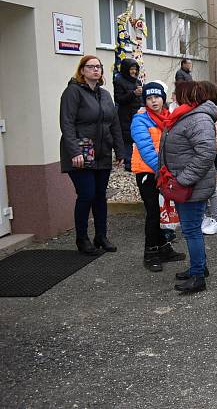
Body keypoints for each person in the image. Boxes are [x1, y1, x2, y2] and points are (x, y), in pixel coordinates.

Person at [60, 55, 125, 256]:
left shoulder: (105, 95)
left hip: (102, 152)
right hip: (82, 151)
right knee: (86, 194)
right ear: (82, 70)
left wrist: (120, 150)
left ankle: (101, 236)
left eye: (98, 67)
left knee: (99, 196)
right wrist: (74, 152)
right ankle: (82, 238)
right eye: (91, 67)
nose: (96, 70)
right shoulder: (73, 92)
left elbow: (114, 124)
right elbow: (67, 123)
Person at [160, 81, 217, 294]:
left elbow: (205, 153)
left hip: (192, 186)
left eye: (177, 92)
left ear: (186, 95)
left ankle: (197, 276)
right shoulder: (185, 115)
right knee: (191, 229)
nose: (173, 96)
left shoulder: (198, 118)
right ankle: (199, 268)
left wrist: (183, 180)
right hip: (186, 184)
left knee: (191, 230)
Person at [130, 81, 186, 271]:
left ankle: (164, 248)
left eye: (157, 97)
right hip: (148, 172)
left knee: (164, 211)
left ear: (163, 97)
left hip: (165, 172)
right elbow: (146, 150)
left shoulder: (169, 117)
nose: (153, 101)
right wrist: (163, 171)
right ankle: (151, 252)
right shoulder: (140, 120)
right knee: (153, 212)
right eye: (149, 98)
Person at [199, 81, 217, 236]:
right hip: (207, 154)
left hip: (214, 155)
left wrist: (205, 151)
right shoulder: (203, 109)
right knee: (204, 187)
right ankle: (207, 217)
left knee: (211, 188)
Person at [113, 58, 142, 171]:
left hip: (137, 114)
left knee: (138, 137)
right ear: (126, 69)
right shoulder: (119, 81)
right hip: (125, 115)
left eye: (135, 69)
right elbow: (119, 99)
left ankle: (138, 162)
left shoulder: (137, 81)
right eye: (131, 69)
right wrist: (133, 93)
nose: (134, 71)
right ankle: (128, 163)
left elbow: (140, 99)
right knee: (127, 139)